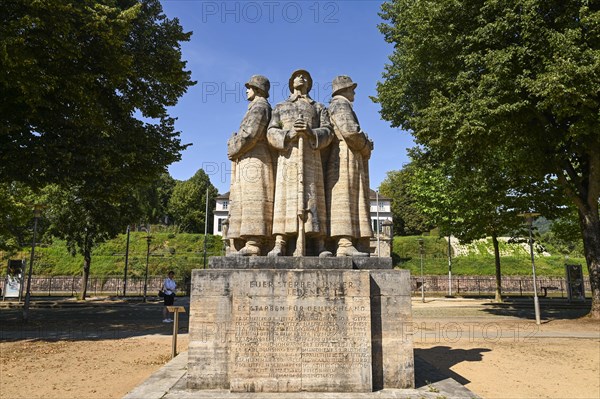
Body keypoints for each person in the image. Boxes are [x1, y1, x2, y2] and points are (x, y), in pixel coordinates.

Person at [266, 69, 333, 257]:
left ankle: (320, 244)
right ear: (291, 82)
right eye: (297, 76)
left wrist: (312, 132)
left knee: (314, 198)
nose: (301, 78)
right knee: (284, 200)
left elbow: (329, 131)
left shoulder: (318, 107)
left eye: (305, 76)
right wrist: (289, 135)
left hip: (312, 159)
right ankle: (280, 242)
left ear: (310, 83)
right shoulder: (280, 107)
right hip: (288, 159)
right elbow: (270, 132)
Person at [226, 75, 274, 256]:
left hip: (255, 158)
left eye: (250, 87)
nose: (247, 90)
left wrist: (233, 146)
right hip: (248, 157)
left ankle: (254, 242)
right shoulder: (255, 107)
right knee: (245, 200)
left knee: (255, 200)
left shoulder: (260, 107)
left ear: (258, 89)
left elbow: (250, 134)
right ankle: (245, 242)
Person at [326, 75, 373, 256]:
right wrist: (366, 145)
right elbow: (351, 132)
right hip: (344, 154)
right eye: (351, 88)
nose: (353, 91)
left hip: (347, 153)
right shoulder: (341, 105)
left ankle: (349, 243)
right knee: (345, 197)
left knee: (351, 196)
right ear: (342, 89)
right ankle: (344, 244)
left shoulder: (340, 105)